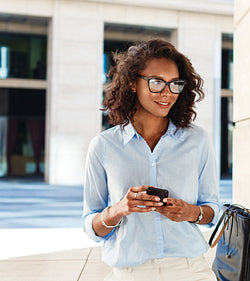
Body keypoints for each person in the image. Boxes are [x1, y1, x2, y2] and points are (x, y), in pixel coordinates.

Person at [82, 38, 219, 281]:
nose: (167, 93)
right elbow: (91, 228)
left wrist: (191, 212)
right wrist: (118, 210)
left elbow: (214, 212)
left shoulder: (197, 140)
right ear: (133, 83)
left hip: (190, 269)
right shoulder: (103, 146)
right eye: (156, 82)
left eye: (175, 84)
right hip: (130, 272)